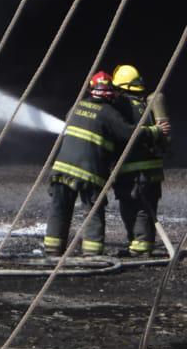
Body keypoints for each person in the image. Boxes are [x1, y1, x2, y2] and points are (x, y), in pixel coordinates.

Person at [44, 71, 132, 260]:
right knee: (93, 210)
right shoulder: (109, 113)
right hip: (90, 172)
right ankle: (92, 253)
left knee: (59, 208)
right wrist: (153, 132)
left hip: (61, 169)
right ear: (110, 93)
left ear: (91, 89)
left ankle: (52, 249)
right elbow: (129, 133)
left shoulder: (76, 107)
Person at [111, 64, 172, 257]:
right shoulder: (146, 106)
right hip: (153, 171)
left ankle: (140, 247)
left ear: (121, 87)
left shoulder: (123, 108)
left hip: (132, 171)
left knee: (132, 207)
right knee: (146, 207)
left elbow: (122, 133)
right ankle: (141, 245)